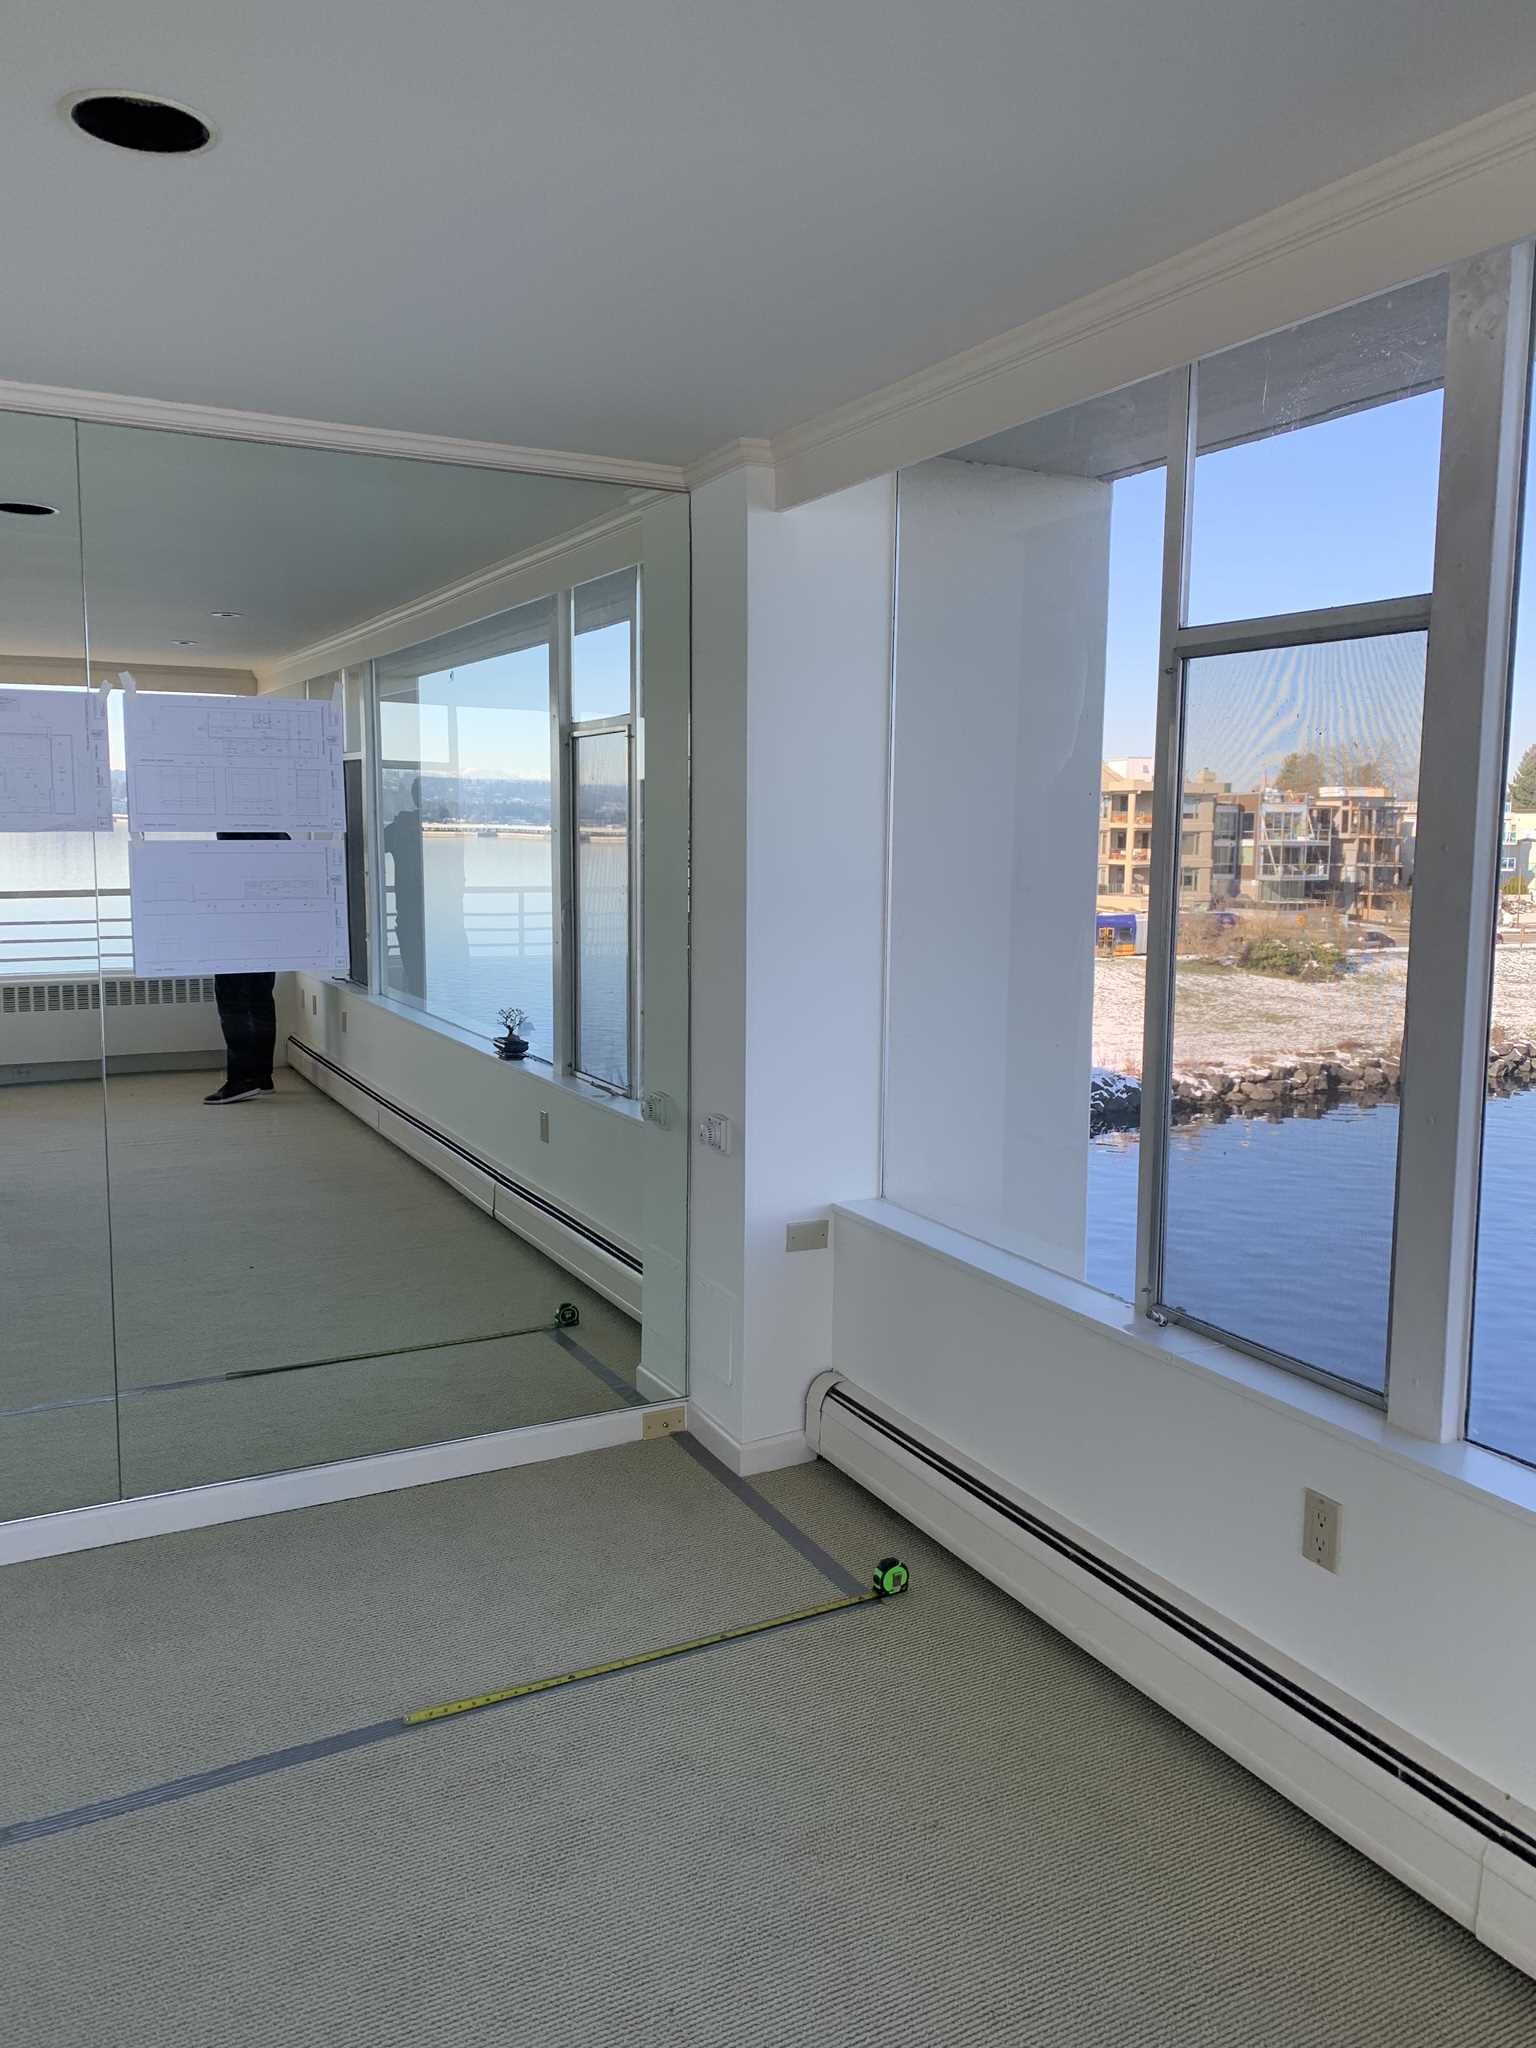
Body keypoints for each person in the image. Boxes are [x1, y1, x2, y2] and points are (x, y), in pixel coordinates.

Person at [204, 830, 289, 1106]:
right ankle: (262, 1077)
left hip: (237, 928)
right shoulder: (278, 835)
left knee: (232, 1002)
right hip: (268, 928)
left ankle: (241, 1080)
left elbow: (224, 878)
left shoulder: (235, 833)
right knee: (261, 999)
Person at [383, 776, 426, 999]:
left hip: (409, 913)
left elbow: (370, 847)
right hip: (448, 917)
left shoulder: (400, 828)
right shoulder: (443, 826)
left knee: (416, 980)